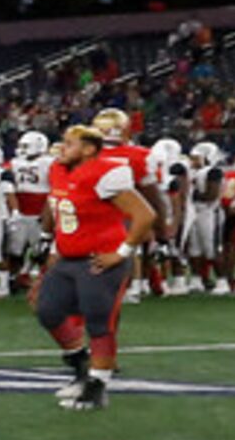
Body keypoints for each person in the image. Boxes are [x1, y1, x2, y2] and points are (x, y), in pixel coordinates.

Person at [33, 123, 159, 412]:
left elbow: (144, 214)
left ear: (89, 149)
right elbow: (59, 210)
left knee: (99, 322)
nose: (62, 148)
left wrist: (122, 252)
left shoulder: (104, 173)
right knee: (48, 310)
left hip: (99, 259)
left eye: (70, 143)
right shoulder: (58, 170)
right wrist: (51, 245)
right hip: (68, 258)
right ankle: (80, 366)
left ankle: (98, 386)